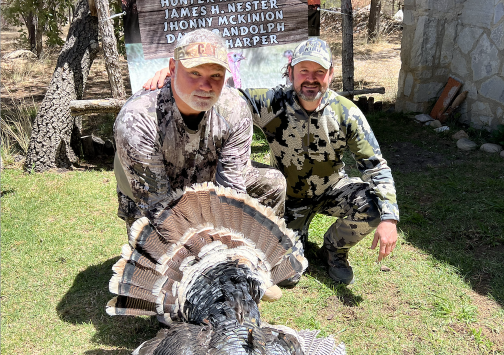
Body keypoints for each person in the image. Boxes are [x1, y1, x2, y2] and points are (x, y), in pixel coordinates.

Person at [144, 37, 399, 285]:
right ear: (290, 72)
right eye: (304, 70)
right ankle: (294, 236)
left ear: (330, 75)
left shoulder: (346, 113)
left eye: (319, 72)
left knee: (373, 207)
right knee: (289, 277)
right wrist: (174, 77)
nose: (311, 78)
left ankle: (333, 250)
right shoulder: (271, 103)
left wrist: (389, 218)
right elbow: (223, 95)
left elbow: (376, 166)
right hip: (289, 201)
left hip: (332, 190)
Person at [115, 29, 286, 238]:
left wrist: (229, 245)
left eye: (215, 75)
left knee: (272, 182)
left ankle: (257, 256)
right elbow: (157, 207)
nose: (206, 86)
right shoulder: (138, 119)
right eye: (195, 73)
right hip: (155, 193)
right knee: (162, 253)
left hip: (206, 179)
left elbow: (231, 189)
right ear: (172, 68)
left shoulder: (234, 109)